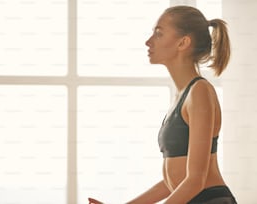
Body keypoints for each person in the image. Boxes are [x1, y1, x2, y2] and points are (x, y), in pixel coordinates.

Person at [88, 5, 237, 204]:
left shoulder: (200, 92)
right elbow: (171, 182)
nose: (148, 42)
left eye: (158, 34)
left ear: (183, 42)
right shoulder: (183, 95)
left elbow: (195, 180)